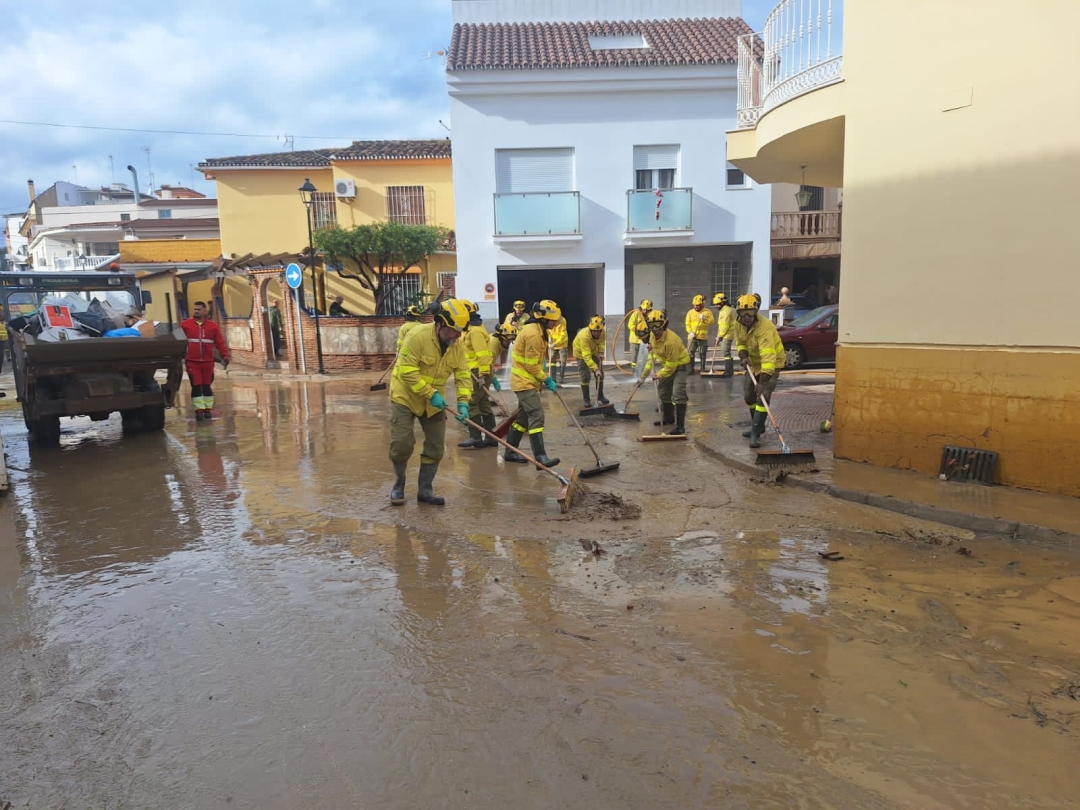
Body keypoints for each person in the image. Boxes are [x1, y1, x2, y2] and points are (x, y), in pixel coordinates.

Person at [389, 299, 472, 506]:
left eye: (461, 331)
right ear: (441, 324)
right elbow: (407, 372)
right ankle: (399, 484)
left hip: (434, 400)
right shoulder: (417, 336)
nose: (458, 335)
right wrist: (430, 393)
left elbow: (463, 374)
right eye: (455, 330)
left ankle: (425, 491)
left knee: (436, 447)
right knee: (402, 444)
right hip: (405, 397)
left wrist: (464, 402)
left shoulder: (456, 345)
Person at [505, 299, 562, 468]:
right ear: (543, 319)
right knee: (537, 415)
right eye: (553, 320)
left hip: (528, 381)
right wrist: (547, 379)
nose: (556, 322)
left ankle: (509, 452)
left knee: (522, 420)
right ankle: (540, 457)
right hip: (524, 383)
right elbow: (530, 364)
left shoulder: (539, 329)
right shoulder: (534, 334)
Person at [734, 293, 785, 448]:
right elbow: (741, 341)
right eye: (744, 313)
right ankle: (758, 425)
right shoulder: (738, 324)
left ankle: (756, 432)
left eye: (751, 312)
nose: (747, 317)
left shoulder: (765, 327)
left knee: (762, 396)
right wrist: (743, 355)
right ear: (739, 314)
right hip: (754, 363)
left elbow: (768, 356)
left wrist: (763, 382)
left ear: (756, 311)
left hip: (771, 364)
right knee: (749, 396)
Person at [458, 300, 499, 450]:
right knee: (483, 404)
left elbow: (482, 355)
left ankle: (475, 437)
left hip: (478, 372)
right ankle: (491, 437)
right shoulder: (469, 330)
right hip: (475, 371)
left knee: (471, 403)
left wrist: (482, 375)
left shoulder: (475, 332)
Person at [644, 309, 691, 435]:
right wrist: (652, 347)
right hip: (668, 366)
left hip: (680, 366)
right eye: (651, 327)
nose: (655, 330)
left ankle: (680, 426)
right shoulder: (653, 336)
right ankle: (668, 418)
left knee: (677, 394)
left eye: (658, 327)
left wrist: (658, 375)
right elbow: (657, 352)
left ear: (664, 325)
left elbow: (672, 366)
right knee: (663, 392)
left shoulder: (671, 341)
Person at [180, 301, 229, 421]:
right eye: (195, 309)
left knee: (207, 386)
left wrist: (225, 356)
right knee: (196, 386)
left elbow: (220, 342)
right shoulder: (185, 325)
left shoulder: (213, 326)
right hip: (192, 361)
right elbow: (177, 340)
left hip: (208, 362)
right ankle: (198, 412)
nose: (196, 311)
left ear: (205, 311)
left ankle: (208, 410)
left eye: (199, 309)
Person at [573, 315, 608, 408]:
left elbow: (601, 342)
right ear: (590, 329)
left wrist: (600, 352)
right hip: (581, 353)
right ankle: (586, 399)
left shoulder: (603, 332)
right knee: (585, 377)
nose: (597, 333)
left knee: (601, 375)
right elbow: (586, 356)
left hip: (593, 351)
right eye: (594, 331)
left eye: (598, 331)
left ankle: (600, 395)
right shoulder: (584, 336)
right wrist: (595, 369)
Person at [685, 294, 715, 374]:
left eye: (698, 305)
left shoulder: (707, 312)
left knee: (702, 354)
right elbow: (687, 324)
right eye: (695, 305)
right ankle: (690, 370)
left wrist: (705, 319)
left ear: (702, 304)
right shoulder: (690, 313)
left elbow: (712, 321)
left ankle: (702, 369)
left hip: (702, 337)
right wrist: (690, 332)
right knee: (690, 353)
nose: (696, 307)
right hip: (692, 337)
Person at [627, 298, 652, 383]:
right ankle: (634, 373)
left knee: (646, 357)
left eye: (647, 310)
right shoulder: (635, 314)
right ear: (641, 308)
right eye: (644, 310)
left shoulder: (650, 315)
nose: (645, 312)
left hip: (645, 340)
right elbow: (630, 324)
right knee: (634, 358)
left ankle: (644, 374)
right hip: (635, 339)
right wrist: (636, 329)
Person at [713, 292, 736, 378]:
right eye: (715, 304)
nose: (716, 306)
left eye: (718, 304)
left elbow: (724, 325)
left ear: (723, 303)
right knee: (726, 353)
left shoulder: (725, 311)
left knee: (726, 353)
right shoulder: (726, 309)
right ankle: (729, 370)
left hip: (726, 334)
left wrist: (719, 336)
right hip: (727, 334)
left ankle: (729, 371)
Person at [548, 314, 569, 384]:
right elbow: (548, 330)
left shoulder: (562, 320)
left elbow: (563, 335)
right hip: (552, 344)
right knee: (552, 362)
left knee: (563, 362)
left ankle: (561, 378)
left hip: (562, 344)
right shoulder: (549, 319)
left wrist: (555, 344)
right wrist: (549, 340)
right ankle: (553, 378)